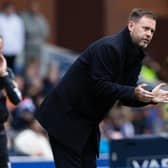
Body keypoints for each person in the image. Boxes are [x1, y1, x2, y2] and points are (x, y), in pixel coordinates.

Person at [36, 8, 168, 168]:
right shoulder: (109, 47)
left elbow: (126, 95)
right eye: (145, 28)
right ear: (131, 26)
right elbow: (99, 86)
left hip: (87, 124)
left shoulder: (136, 55)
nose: (149, 34)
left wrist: (149, 98)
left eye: (152, 31)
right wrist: (133, 92)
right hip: (65, 118)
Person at [0, 36, 22, 168]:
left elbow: (16, 99)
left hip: (1, 134)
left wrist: (3, 75)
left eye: (1, 48)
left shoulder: (7, 73)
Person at [0, 1, 25, 72]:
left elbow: (21, 35)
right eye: (8, 8)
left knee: (12, 70)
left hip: (14, 51)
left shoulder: (18, 20)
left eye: (11, 8)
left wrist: (20, 48)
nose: (9, 10)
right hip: (3, 51)